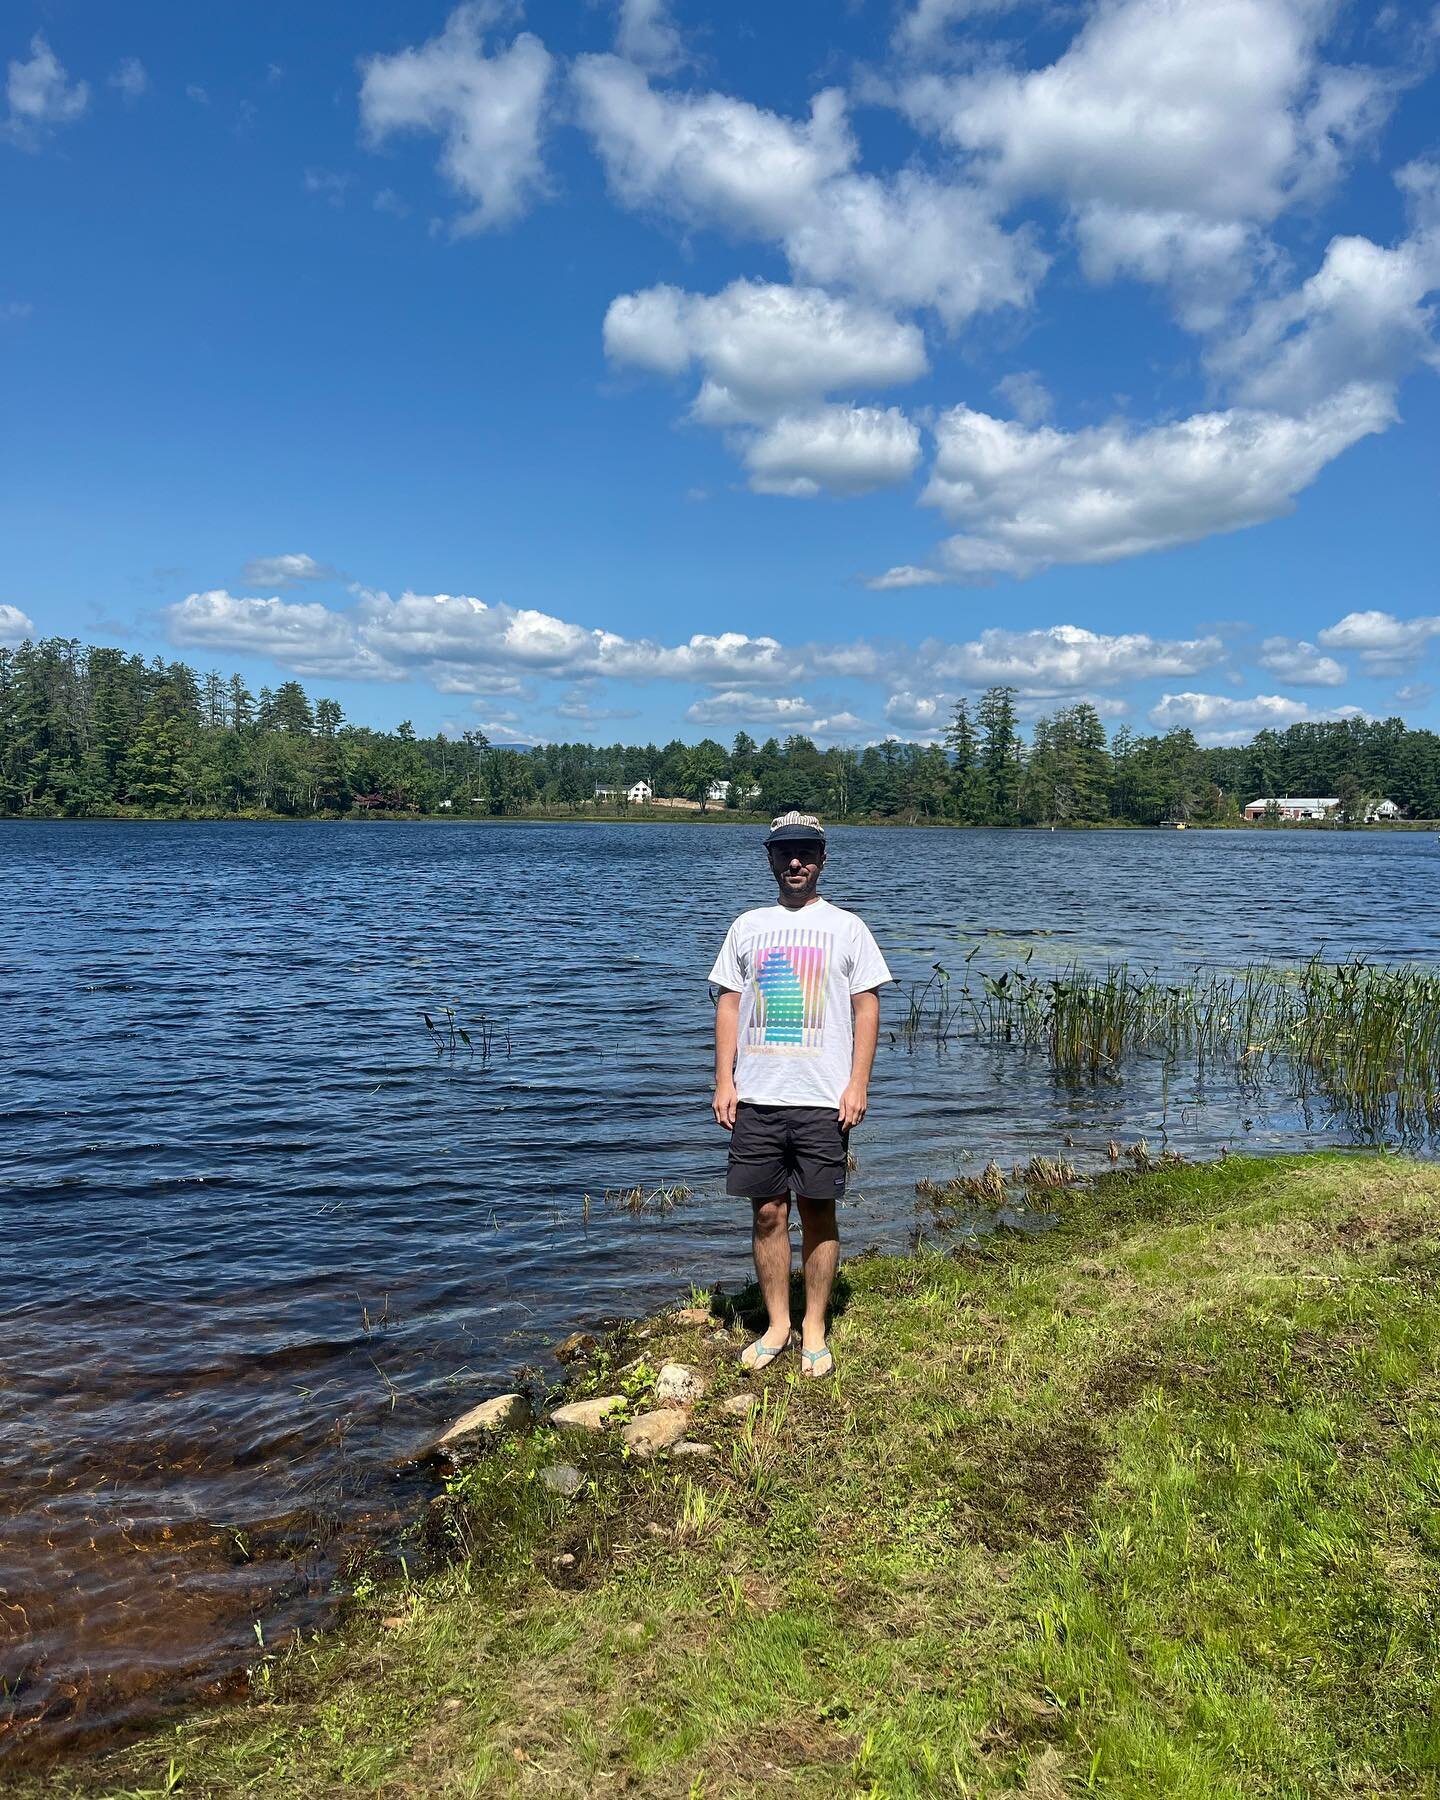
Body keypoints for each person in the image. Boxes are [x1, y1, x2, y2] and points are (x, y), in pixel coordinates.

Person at [709, 810, 892, 1379]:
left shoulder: (848, 927)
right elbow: (729, 1004)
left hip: (822, 1098)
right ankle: (778, 1324)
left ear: (822, 858)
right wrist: (724, 1079)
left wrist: (858, 1083)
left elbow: (867, 1006)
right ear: (769, 858)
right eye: (785, 851)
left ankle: (814, 1325)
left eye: (806, 851)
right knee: (767, 1213)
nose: (795, 861)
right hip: (758, 1096)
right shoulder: (747, 926)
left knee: (817, 1209)